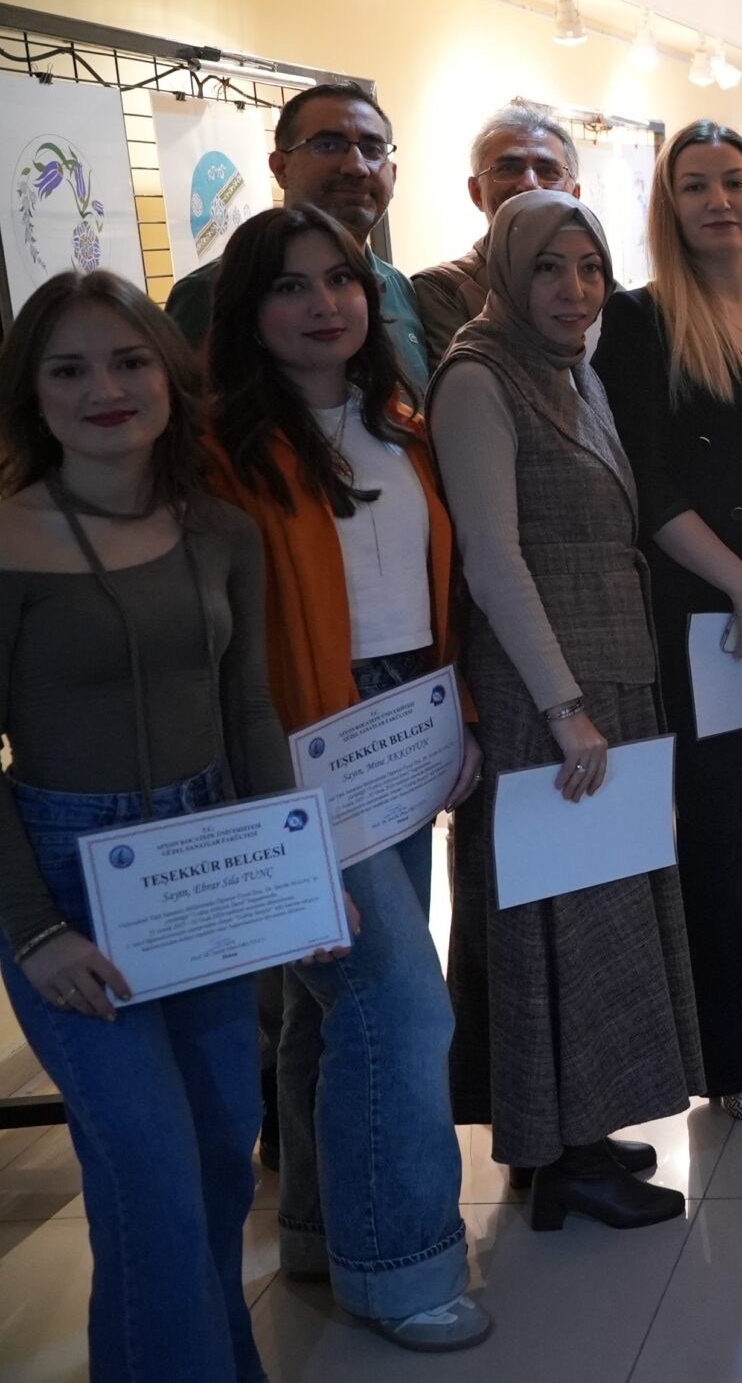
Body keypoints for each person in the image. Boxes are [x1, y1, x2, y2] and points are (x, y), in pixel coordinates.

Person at [0, 270, 325, 1381]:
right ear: (31, 394)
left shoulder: (221, 531)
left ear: (170, 378)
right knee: (149, 1174)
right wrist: (33, 930)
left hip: (206, 858)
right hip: (67, 882)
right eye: (69, 369)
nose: (106, 389)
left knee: (221, 1162)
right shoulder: (7, 544)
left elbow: (249, 710)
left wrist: (298, 877)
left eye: (130, 361)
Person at [200, 207, 491, 1352]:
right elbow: (228, 646)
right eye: (290, 286)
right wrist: (266, 784)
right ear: (247, 310)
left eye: (342, 280)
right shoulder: (218, 451)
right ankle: (400, 1268)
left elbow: (433, 593)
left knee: (336, 1008)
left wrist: (457, 715)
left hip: (404, 721)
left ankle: (323, 1229)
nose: (324, 304)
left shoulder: (401, 424)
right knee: (398, 1003)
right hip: (297, 742)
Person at [430, 189, 703, 1229]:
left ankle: (566, 1133)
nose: (575, 290)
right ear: (505, 268)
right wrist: (563, 706)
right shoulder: (479, 377)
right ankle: (566, 1160)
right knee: (559, 927)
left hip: (604, 683)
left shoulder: (569, 370)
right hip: (549, 701)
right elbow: (493, 563)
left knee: (595, 918)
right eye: (549, 267)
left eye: (590, 268)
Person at [593, 120, 742, 1129]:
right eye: (695, 186)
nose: (718, 201)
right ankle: (730, 1056)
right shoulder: (638, 320)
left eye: (734, 182)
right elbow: (648, 480)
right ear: (670, 205)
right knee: (715, 833)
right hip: (707, 617)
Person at [166, 81, 434, 390]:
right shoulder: (212, 291)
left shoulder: (399, 287)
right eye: (328, 145)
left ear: (393, 174)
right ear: (281, 167)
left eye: (372, 149)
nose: (356, 166)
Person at [412, 103, 583, 365]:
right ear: (476, 192)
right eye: (508, 168)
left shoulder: (595, 284)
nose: (529, 184)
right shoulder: (444, 289)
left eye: (548, 170)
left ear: (575, 195)